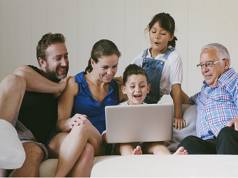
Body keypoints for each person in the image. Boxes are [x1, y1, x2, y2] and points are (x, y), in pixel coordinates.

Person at [0, 33, 95, 177]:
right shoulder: (32, 73)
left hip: (31, 140)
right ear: (42, 61)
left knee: (34, 152)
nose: (64, 63)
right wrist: (56, 88)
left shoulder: (68, 85)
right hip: (10, 124)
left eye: (66, 56)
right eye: (58, 58)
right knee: (13, 80)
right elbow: (20, 73)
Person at [47, 39, 127, 177]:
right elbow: (60, 123)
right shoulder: (74, 83)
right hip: (66, 138)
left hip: (99, 142)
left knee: (83, 126)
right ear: (93, 63)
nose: (110, 72)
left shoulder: (118, 89)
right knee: (86, 148)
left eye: (114, 66)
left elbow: (137, 105)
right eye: (105, 67)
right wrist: (70, 122)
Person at [115, 12, 186, 130]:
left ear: (171, 36)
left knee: (190, 102)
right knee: (115, 85)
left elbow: (176, 88)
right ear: (149, 33)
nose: (156, 36)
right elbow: (124, 78)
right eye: (153, 32)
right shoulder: (143, 56)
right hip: (134, 98)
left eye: (162, 33)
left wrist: (178, 116)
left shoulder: (173, 57)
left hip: (149, 100)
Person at [103, 64, 188, 155]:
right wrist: (107, 136)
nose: (137, 90)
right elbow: (106, 133)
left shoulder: (152, 110)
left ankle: (169, 158)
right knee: (125, 145)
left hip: (144, 144)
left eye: (142, 86)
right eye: (132, 86)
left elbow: (158, 130)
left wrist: (161, 137)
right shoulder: (117, 109)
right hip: (123, 145)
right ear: (124, 89)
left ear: (148, 89)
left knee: (158, 144)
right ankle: (134, 158)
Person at [178, 43, 238, 154]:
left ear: (225, 63)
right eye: (201, 65)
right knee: (188, 143)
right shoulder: (203, 92)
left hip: (231, 137)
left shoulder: (234, 81)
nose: (204, 70)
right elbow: (187, 100)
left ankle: (228, 171)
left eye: (209, 64)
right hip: (210, 143)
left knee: (226, 133)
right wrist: (171, 85)